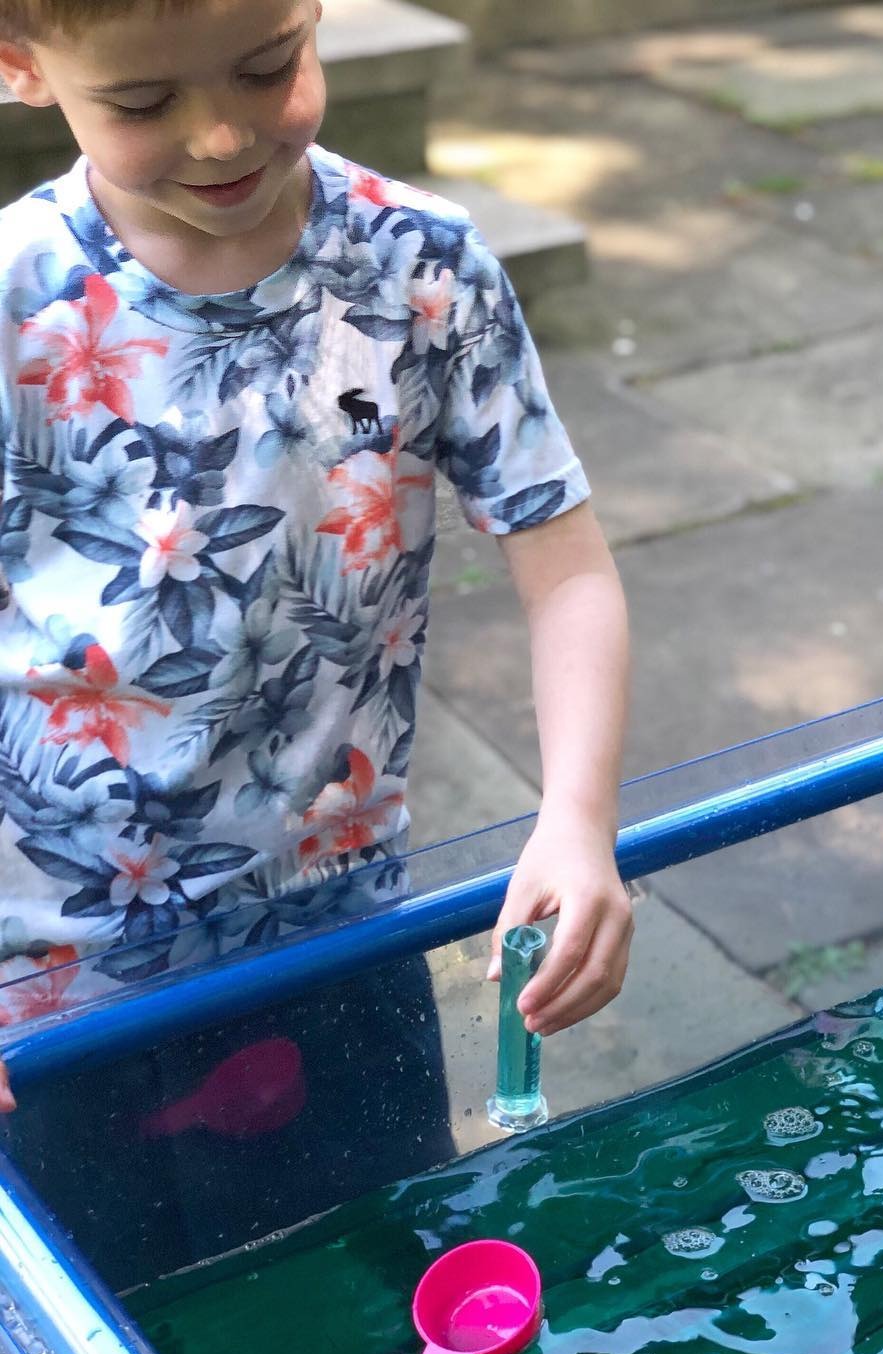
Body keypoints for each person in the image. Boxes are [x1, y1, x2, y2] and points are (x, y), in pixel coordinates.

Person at [0, 0, 633, 1146]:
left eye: (266, 66)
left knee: (367, 1282)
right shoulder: (14, 301)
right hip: (45, 970)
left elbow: (566, 564)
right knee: (103, 1305)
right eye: (145, 102)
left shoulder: (420, 266)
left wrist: (579, 819)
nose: (223, 136)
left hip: (334, 926)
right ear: (20, 66)